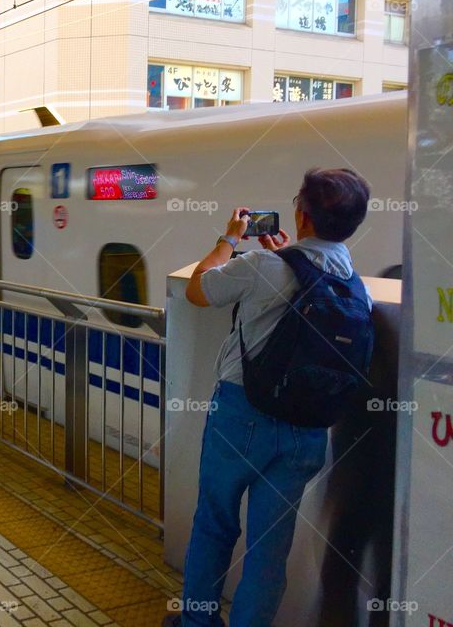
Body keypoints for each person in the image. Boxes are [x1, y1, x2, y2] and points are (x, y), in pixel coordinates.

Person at [163, 168, 373, 627]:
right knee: (269, 547)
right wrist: (288, 258)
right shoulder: (354, 283)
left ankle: (197, 622)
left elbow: (199, 290)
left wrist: (228, 239)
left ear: (301, 214)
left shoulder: (262, 267)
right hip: (308, 432)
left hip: (243, 417)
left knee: (215, 523)